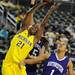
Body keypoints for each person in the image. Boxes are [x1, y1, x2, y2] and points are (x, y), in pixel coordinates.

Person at [1, 2, 48, 75]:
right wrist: (40, 4)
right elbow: (28, 14)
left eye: (36, 29)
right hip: (9, 65)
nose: (35, 28)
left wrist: (51, 10)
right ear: (30, 26)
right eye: (34, 26)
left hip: (20, 66)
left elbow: (43, 25)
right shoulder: (22, 31)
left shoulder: (33, 39)